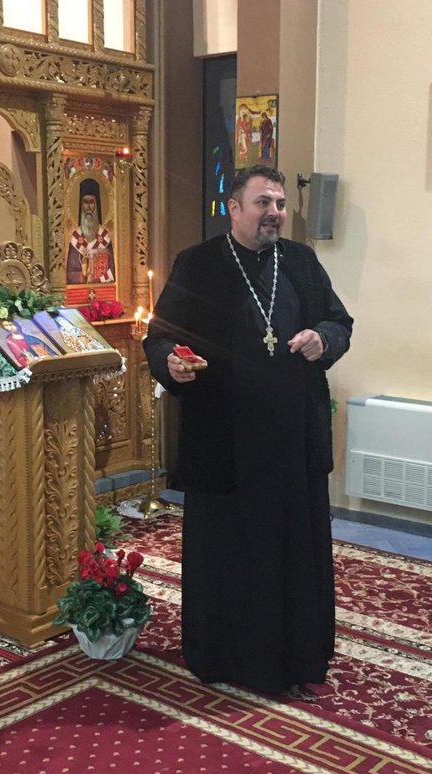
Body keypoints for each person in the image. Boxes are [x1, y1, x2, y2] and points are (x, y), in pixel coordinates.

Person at [143, 165, 353, 698]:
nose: (274, 213)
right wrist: (170, 363)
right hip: (225, 441)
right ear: (234, 209)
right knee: (230, 551)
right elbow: (159, 336)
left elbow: (340, 322)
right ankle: (223, 652)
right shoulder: (198, 264)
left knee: (291, 551)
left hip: (292, 443)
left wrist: (323, 339)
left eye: (279, 203)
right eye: (263, 203)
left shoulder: (301, 262)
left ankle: (297, 655)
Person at [66, 178, 115, 284]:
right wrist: (83, 275)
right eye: (85, 202)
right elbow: (69, 274)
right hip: (79, 292)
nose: (88, 206)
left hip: (104, 291)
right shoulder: (75, 239)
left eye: (92, 202)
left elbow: (113, 271)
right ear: (81, 205)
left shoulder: (105, 238)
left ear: (97, 206)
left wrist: (96, 279)